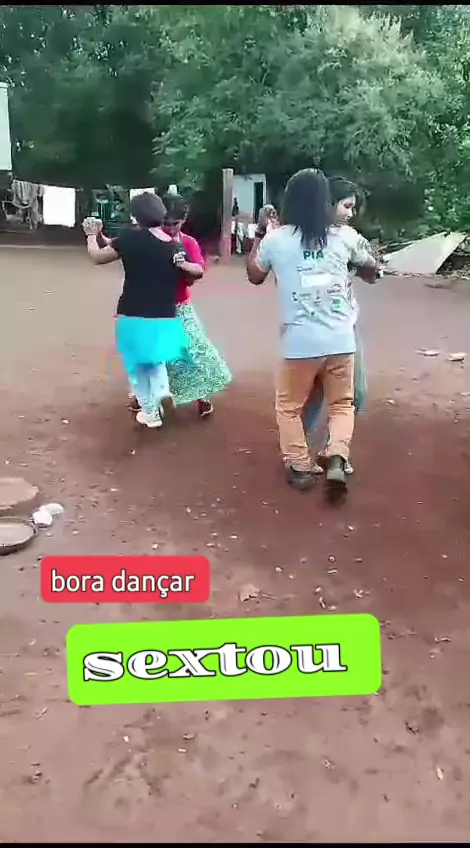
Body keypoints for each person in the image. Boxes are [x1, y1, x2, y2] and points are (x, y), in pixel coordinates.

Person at [246, 168, 379, 496]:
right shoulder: (344, 237)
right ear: (326, 202)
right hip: (341, 339)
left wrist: (260, 234)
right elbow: (372, 268)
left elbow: (255, 275)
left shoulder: (277, 241)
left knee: (289, 406)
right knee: (342, 403)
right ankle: (337, 456)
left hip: (300, 342)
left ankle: (300, 465)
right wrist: (359, 266)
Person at [82, 191, 197, 429]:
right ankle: (163, 392)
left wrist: (91, 235)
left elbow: (98, 256)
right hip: (166, 315)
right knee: (156, 361)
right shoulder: (174, 245)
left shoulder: (131, 239)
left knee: (136, 365)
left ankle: (150, 413)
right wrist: (101, 235)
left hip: (133, 313)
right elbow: (190, 274)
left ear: (135, 216)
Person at [303, 176, 377, 475]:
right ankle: (298, 453)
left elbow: (370, 272)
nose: (350, 213)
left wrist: (367, 266)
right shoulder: (296, 237)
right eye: (346, 206)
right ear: (327, 203)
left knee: (356, 392)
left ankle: (333, 450)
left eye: (352, 207)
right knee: (314, 393)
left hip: (345, 326)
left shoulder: (349, 237)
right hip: (309, 328)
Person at [159, 192, 232, 416]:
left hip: (180, 305)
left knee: (197, 349)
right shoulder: (152, 240)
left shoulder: (188, 242)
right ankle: (144, 395)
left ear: (183, 220)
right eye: (166, 223)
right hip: (154, 308)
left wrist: (182, 264)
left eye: (175, 223)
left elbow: (198, 270)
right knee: (157, 355)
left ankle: (201, 394)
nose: (170, 228)